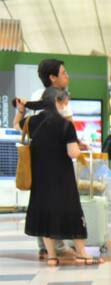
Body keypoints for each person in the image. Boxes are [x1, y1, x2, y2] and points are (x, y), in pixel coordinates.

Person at [13, 88, 98, 267]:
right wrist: (81, 151)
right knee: (72, 211)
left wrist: (21, 110)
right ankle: (82, 253)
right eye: (65, 103)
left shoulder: (32, 121)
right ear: (58, 102)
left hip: (40, 177)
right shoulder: (66, 125)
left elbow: (16, 126)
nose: (65, 107)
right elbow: (72, 152)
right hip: (62, 177)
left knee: (46, 213)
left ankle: (52, 257)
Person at [20, 59, 73, 260]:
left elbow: (28, 125)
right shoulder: (56, 98)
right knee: (57, 201)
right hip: (56, 159)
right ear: (52, 77)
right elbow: (65, 126)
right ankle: (57, 246)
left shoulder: (37, 96)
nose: (67, 76)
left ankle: (45, 247)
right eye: (63, 72)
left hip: (39, 159)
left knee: (42, 201)